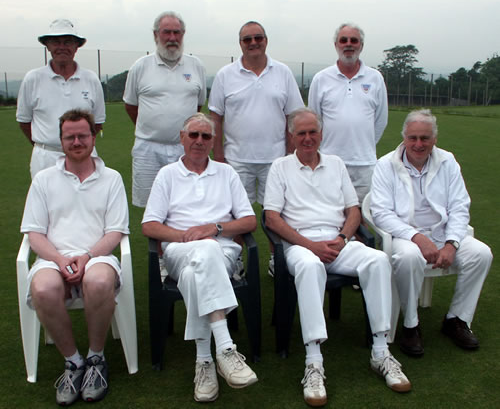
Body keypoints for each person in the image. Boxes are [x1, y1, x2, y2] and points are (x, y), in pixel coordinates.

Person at [264, 108, 411, 407]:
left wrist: (343, 239)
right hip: (300, 245)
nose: (308, 138)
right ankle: (314, 361)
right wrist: (310, 244)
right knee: (308, 266)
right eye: (301, 133)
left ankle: (381, 351)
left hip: (337, 241)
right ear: (292, 136)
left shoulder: (336, 164)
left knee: (378, 260)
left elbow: (353, 210)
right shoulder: (280, 167)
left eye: (313, 132)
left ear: (321, 134)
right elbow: (272, 219)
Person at [142, 113, 258, 403]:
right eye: (193, 135)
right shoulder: (167, 175)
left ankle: (205, 360)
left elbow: (249, 221)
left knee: (199, 269)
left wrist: (215, 228)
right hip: (180, 250)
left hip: (223, 251)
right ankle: (226, 350)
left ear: (213, 141)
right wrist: (184, 236)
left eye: (206, 136)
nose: (199, 141)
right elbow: (149, 225)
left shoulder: (226, 173)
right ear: (182, 138)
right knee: (204, 251)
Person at [20, 109, 129, 405]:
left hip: (99, 256)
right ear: (62, 140)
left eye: (83, 135)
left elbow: (115, 231)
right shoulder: (43, 179)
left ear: (94, 137)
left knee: (97, 281)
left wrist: (86, 256)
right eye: (70, 137)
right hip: (52, 259)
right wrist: (58, 260)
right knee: (43, 288)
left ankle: (96, 359)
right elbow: (34, 233)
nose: (77, 141)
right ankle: (74, 363)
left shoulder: (112, 178)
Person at [370, 109, 493, 357]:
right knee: (408, 258)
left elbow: (459, 206)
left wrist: (451, 243)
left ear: (434, 139)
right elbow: (381, 213)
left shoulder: (448, 161)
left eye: (424, 138)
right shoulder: (385, 165)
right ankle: (411, 324)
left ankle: (456, 319)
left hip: (443, 234)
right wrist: (417, 238)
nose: (418, 144)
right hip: (405, 236)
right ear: (404, 137)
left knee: (482, 254)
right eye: (413, 137)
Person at [208, 20, 304, 207]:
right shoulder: (225, 75)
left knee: (277, 214)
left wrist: (290, 155)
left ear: (266, 41)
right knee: (234, 214)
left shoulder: (283, 72)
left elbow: (293, 118)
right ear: (240, 43)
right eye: (247, 39)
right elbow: (215, 119)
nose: (253, 42)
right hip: (236, 160)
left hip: (276, 160)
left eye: (258, 38)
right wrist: (219, 158)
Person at [124, 10, 206, 207]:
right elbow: (130, 106)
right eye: (166, 32)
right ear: (155, 35)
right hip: (148, 149)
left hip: (185, 148)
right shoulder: (140, 67)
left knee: (185, 203)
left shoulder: (196, 66)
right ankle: (157, 239)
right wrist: (154, 129)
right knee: (150, 205)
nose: (172, 38)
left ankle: (184, 239)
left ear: (183, 35)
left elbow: (197, 106)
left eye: (177, 33)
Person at [308, 22, 388, 203]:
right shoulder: (321, 79)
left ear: (361, 46)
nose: (349, 44)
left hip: (365, 164)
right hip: (330, 161)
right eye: (343, 40)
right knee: (331, 213)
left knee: (364, 217)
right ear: (336, 45)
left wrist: (363, 145)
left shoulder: (375, 78)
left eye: (354, 40)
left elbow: (381, 120)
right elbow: (314, 121)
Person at [16, 19, 105, 178]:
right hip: (45, 158)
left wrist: (77, 145)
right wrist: (48, 144)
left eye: (68, 42)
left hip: (83, 156)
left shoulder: (91, 79)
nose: (62, 47)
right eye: (56, 42)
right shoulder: (33, 78)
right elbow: (24, 121)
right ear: (48, 46)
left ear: (76, 46)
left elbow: (97, 123)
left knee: (86, 202)